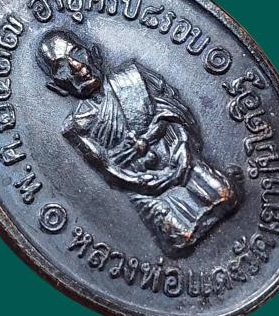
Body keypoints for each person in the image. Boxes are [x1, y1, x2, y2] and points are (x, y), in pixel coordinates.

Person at [36, 30, 240, 256]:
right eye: (61, 68)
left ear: (94, 53)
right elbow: (107, 169)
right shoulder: (76, 127)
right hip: (145, 188)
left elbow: (173, 111)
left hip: (181, 158)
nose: (77, 67)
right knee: (179, 238)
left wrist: (183, 149)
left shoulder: (133, 76)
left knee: (225, 195)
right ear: (57, 86)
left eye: (77, 54)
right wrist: (146, 182)